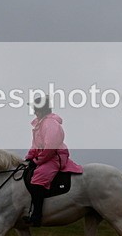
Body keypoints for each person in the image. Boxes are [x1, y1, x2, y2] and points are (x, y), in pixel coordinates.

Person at [23, 96, 83, 226]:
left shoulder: (50, 124)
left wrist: (37, 160)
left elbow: (51, 146)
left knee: (38, 179)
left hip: (54, 156)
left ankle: (37, 216)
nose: (33, 111)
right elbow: (35, 146)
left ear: (42, 109)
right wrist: (28, 158)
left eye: (35, 109)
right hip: (46, 156)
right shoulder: (39, 124)